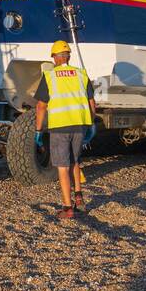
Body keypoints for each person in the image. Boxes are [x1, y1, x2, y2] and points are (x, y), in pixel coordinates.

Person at [33, 40, 97, 220]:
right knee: (75, 161)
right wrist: (91, 124)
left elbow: (40, 106)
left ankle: (68, 207)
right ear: (68, 56)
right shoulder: (81, 74)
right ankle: (79, 199)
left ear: (54, 57)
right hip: (79, 125)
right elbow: (92, 102)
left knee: (62, 166)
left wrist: (38, 130)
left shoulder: (50, 76)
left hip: (60, 127)